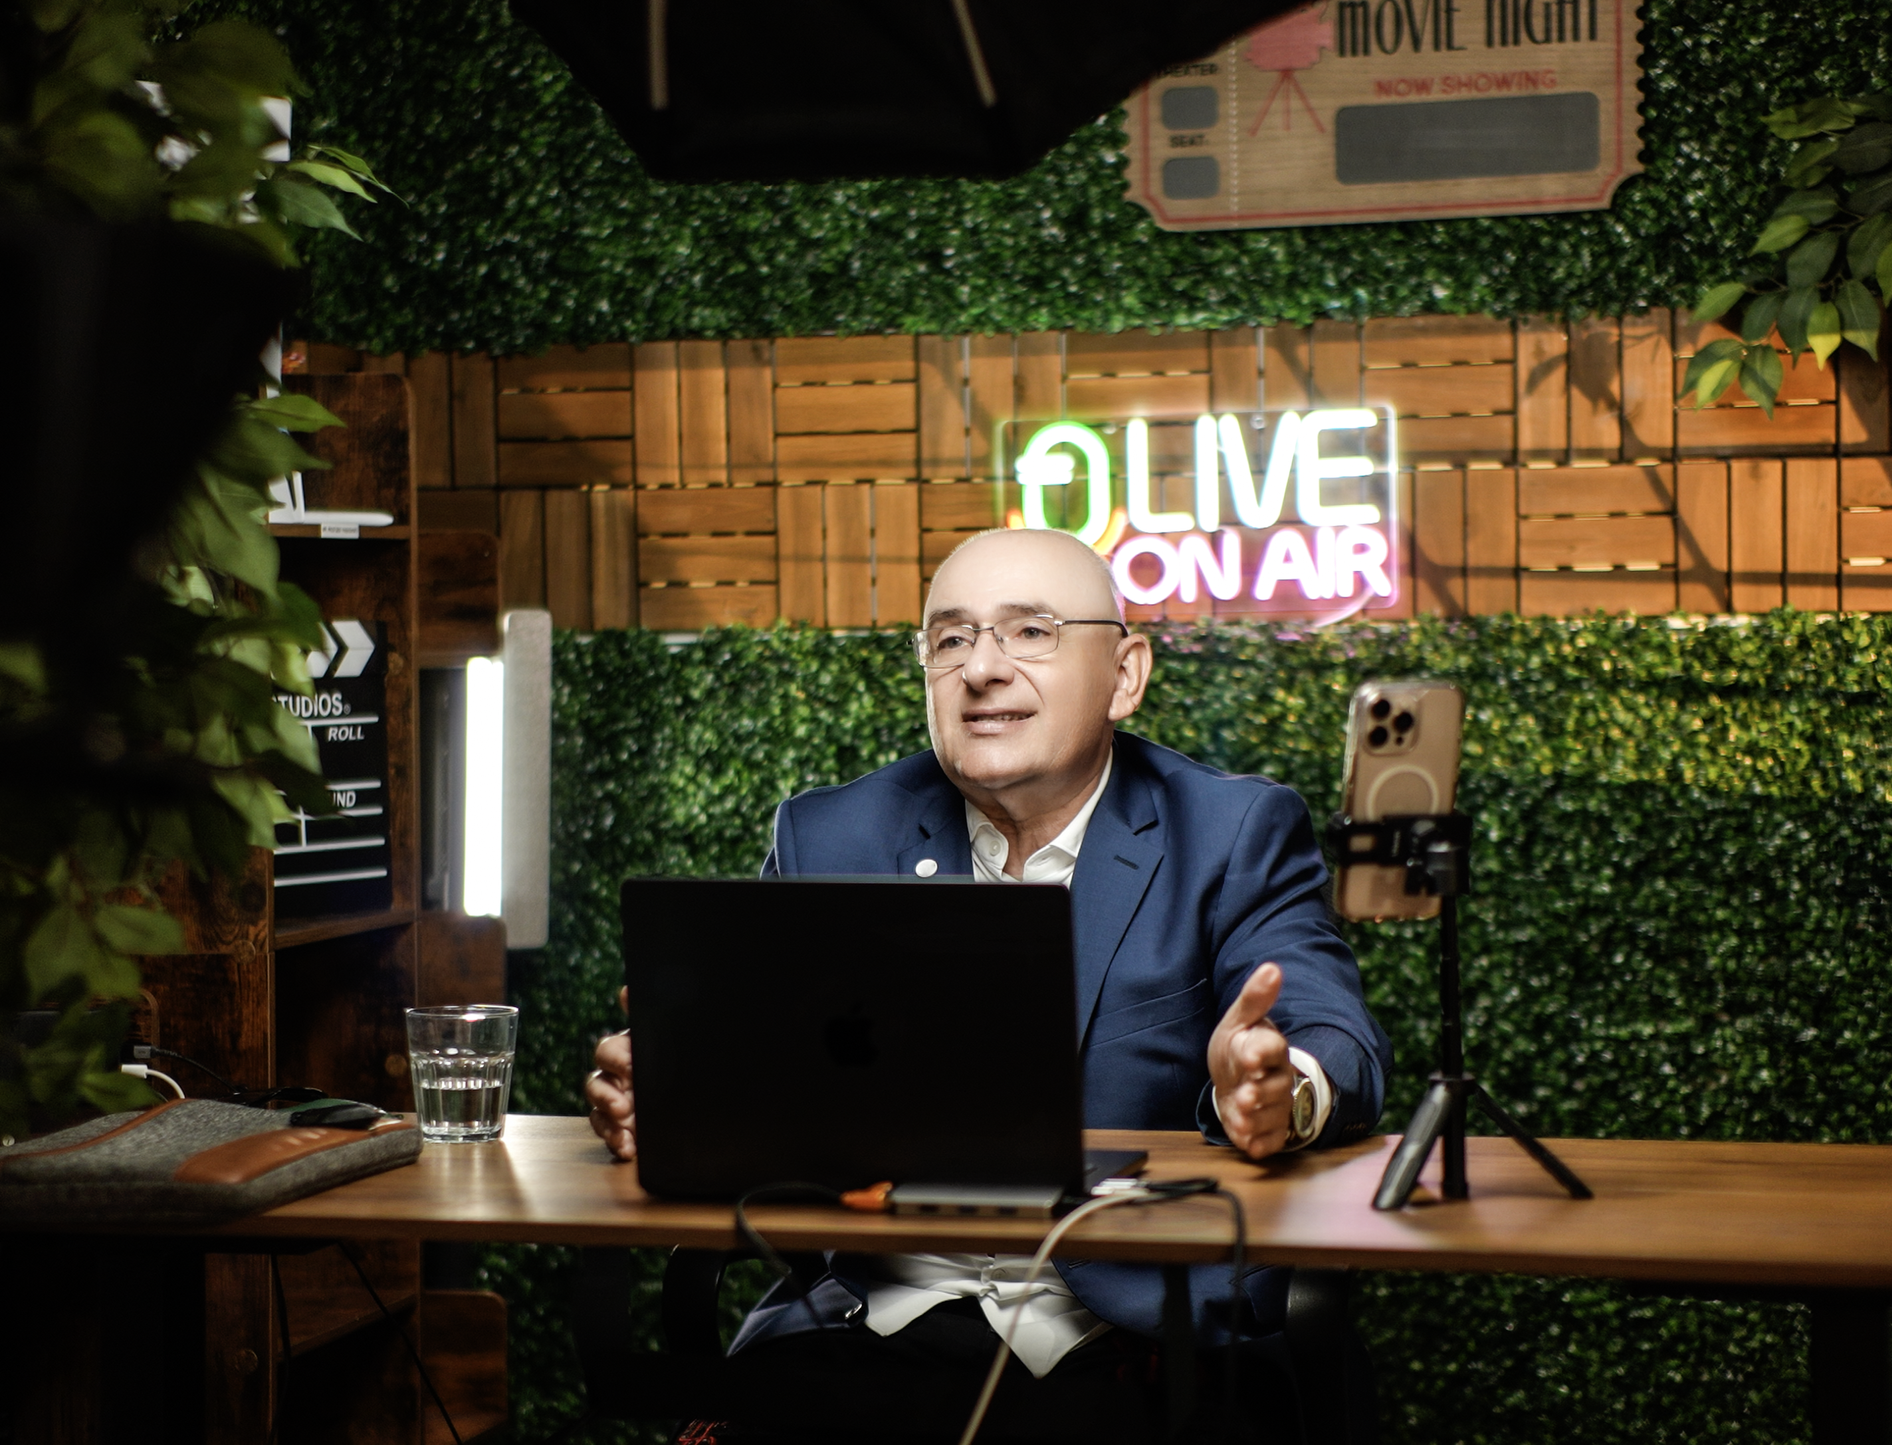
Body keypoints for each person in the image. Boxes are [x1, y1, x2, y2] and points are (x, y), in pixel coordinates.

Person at [585, 525, 1392, 1442]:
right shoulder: (830, 833)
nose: (982, 668)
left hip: (1133, 1338)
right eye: (952, 638)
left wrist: (1284, 1088)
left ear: (1125, 673)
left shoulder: (1232, 828)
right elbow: (766, 1073)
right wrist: (680, 1097)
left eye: (1031, 631)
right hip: (866, 1323)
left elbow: (1333, 1034)